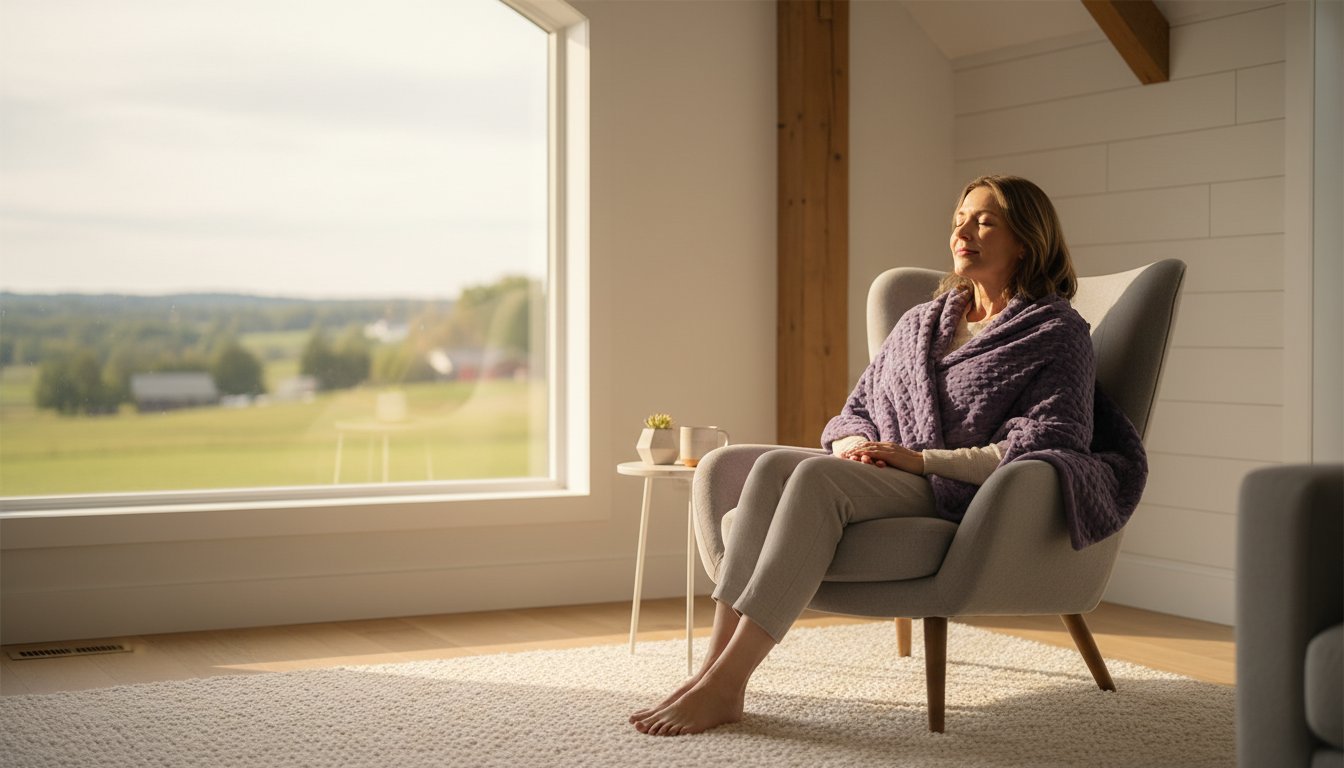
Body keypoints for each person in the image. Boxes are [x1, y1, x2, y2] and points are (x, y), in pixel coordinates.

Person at [629, 175, 1146, 737]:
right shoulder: (922, 323)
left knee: (814, 482)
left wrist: (921, 462)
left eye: (984, 221)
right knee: (776, 466)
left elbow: (1051, 439)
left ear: (1025, 239)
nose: (963, 232)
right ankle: (711, 674)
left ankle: (727, 686)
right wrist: (855, 449)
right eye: (959, 219)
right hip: (886, 471)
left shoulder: (1055, 332)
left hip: (963, 493)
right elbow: (855, 410)